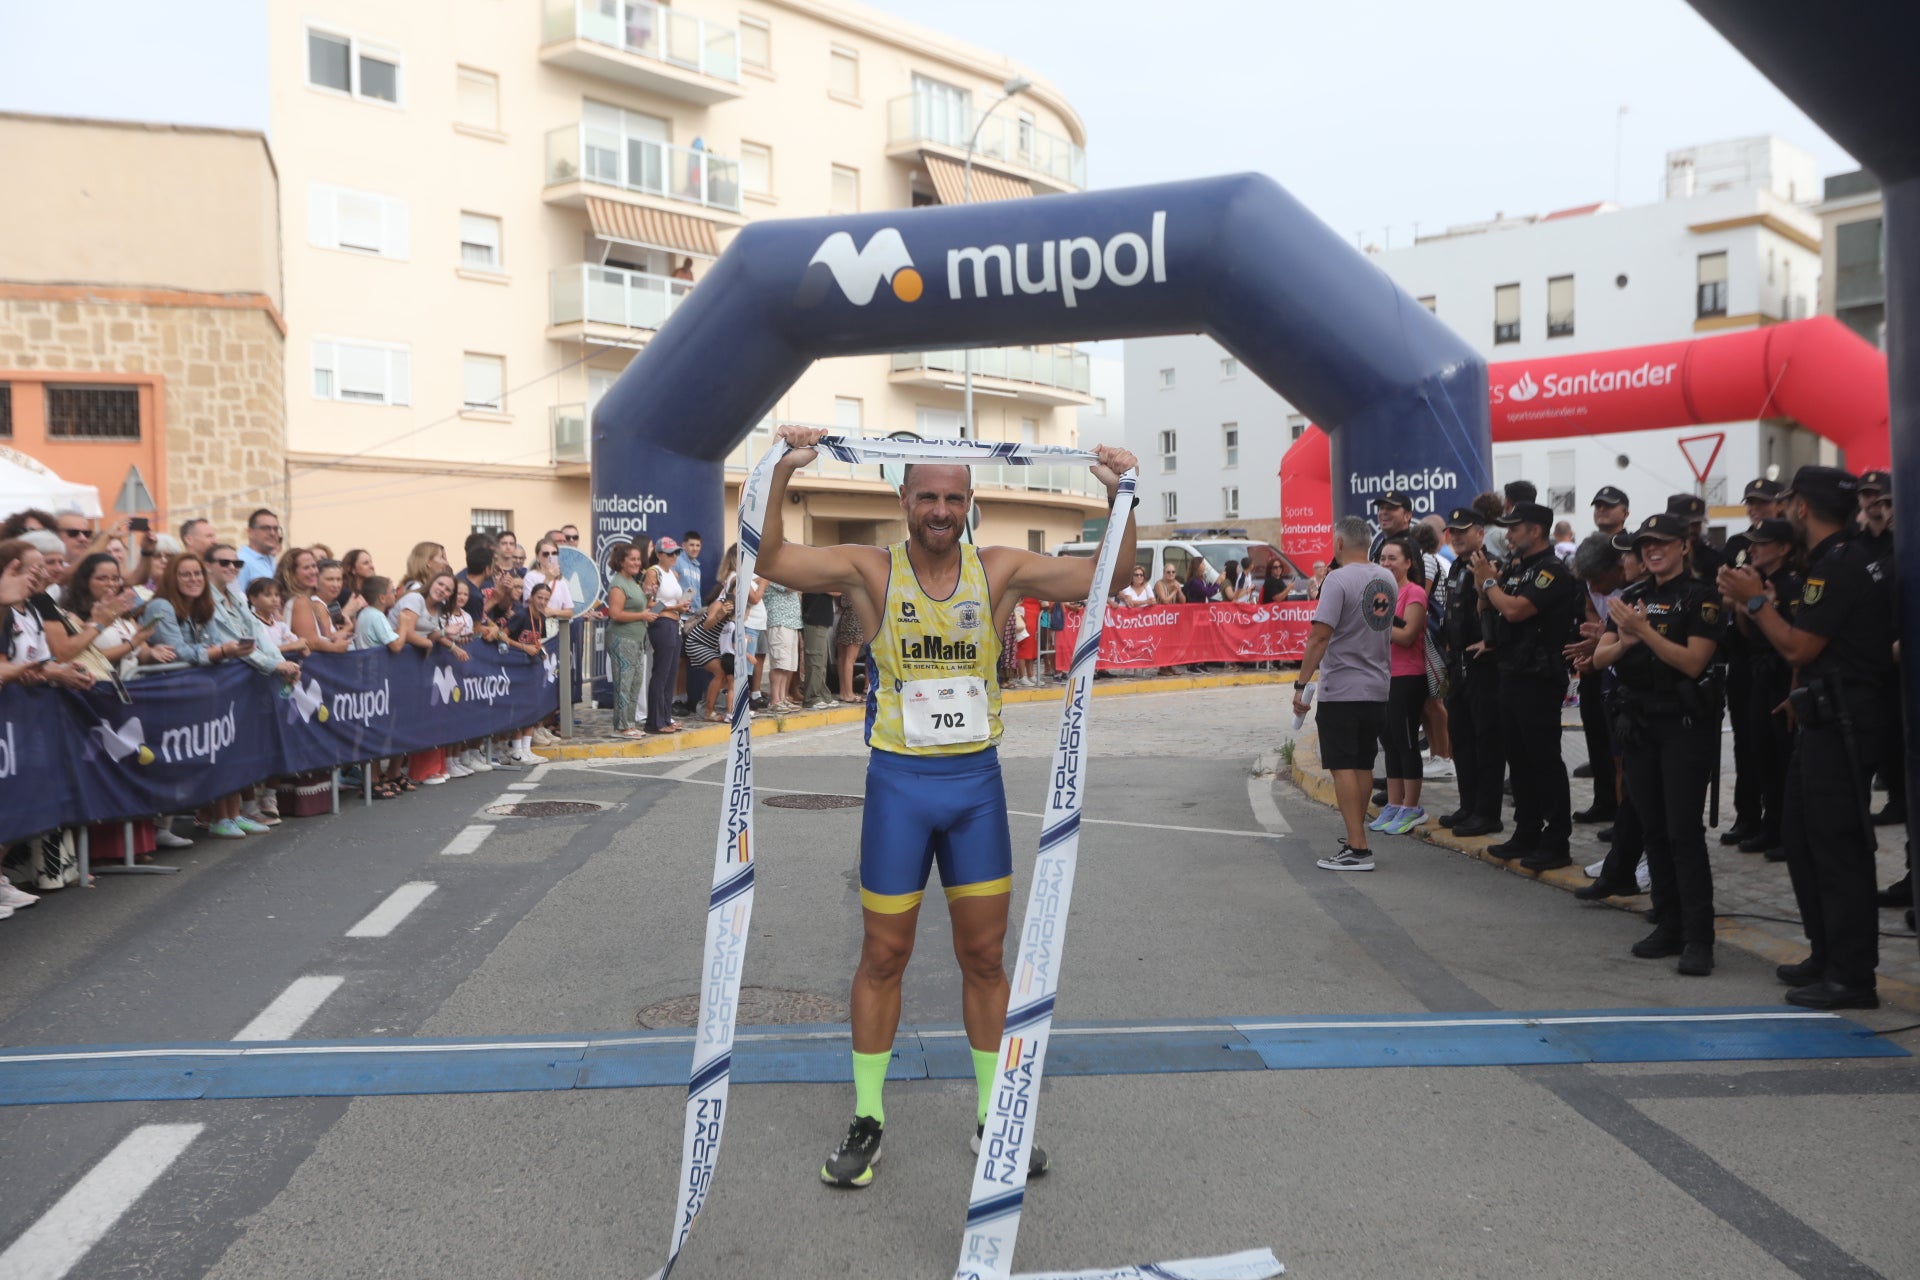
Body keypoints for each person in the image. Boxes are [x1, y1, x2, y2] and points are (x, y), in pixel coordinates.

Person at [755, 423, 1136, 1190]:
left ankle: (994, 1116)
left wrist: (1121, 494)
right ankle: (868, 1119)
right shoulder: (870, 569)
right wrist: (782, 469)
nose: (939, 509)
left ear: (970, 504)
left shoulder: (998, 570)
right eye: (926, 495)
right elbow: (771, 560)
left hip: (974, 791)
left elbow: (1108, 576)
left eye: (952, 498)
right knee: (884, 956)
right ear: (902, 499)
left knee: (986, 959)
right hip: (900, 787)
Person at [1720, 465, 1895, 1009]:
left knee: (1836, 847)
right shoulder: (1836, 560)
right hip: (1822, 714)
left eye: (1787, 502)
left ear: (1800, 508)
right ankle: (1827, 954)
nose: (1779, 511)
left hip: (1843, 724)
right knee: (1800, 836)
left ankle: (1851, 975)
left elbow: (1799, 647)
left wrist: (1754, 601)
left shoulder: (1837, 567)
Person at [1593, 513, 1726, 976]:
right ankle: (1668, 923)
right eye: (1646, 544)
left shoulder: (1701, 598)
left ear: (1684, 546)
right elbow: (1599, 657)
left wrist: (1643, 632)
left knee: (1682, 832)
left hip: (1684, 726)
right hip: (1640, 726)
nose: (1652, 551)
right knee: (1653, 829)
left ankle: (1698, 937)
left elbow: (1692, 662)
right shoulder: (1632, 598)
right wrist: (1628, 639)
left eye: (1662, 543)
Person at [1471, 499, 1580, 870]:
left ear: (1536, 531)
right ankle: (1527, 831)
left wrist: (1489, 584)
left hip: (1539, 678)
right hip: (1511, 672)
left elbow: (1515, 609)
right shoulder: (1519, 568)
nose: (1509, 534)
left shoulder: (1551, 571)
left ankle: (1556, 840)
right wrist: (1487, 589)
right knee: (1517, 759)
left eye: (1515, 528)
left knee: (1543, 760)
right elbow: (1490, 606)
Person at [1293, 515, 1394, 871]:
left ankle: (1358, 846)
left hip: (1344, 688)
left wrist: (1301, 684)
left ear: (1338, 544)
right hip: (1378, 685)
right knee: (1363, 763)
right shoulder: (1386, 577)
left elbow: (1319, 636)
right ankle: (1357, 839)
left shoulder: (1337, 580)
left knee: (1342, 765)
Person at [1727, 518, 1802, 858]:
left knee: (1785, 757)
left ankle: (1789, 833)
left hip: (1784, 675)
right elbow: (1748, 633)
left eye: (1762, 542)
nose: (1753, 548)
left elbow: (1795, 637)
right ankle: (1769, 827)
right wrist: (1745, 607)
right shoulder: (1759, 581)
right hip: (1759, 673)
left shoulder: (1793, 584)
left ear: (1784, 548)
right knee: (1762, 753)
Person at [1439, 508, 1503, 837]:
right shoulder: (1456, 567)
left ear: (1480, 532)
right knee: (1461, 739)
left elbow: (1497, 610)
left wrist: (1489, 641)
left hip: (1484, 666)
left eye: (1464, 530)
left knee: (1486, 741)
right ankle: (1468, 805)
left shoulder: (1489, 566)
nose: (1457, 536)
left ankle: (1487, 812)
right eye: (1452, 531)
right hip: (1459, 665)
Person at [1572, 487, 1633, 818]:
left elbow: (1625, 621)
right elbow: (1589, 605)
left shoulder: (1632, 556)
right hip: (1601, 657)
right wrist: (1595, 637)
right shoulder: (1590, 552)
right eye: (1597, 506)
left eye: (1610, 507)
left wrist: (1605, 637)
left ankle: (1625, 814)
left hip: (1623, 661)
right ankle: (1605, 801)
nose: (1602, 511)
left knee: (1623, 748)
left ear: (1625, 512)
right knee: (1598, 734)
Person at [1372, 535, 1430, 835]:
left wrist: (1378, 623)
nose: (1386, 563)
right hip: (1383, 677)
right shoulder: (1380, 596)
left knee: (1407, 744)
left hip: (1408, 678)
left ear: (1408, 562)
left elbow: (1407, 635)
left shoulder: (1414, 592)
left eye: (1392, 558)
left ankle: (1412, 807)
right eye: (1382, 558)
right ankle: (1393, 804)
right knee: (1390, 744)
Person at [606, 541, 655, 737]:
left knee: (635, 683)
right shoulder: (618, 584)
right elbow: (615, 614)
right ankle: (621, 726)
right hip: (622, 638)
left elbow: (643, 606)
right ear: (621, 561)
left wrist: (650, 598)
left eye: (638, 559)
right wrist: (642, 616)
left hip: (638, 639)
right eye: (632, 559)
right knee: (623, 684)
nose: (637, 562)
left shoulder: (634, 582)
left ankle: (630, 723)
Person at [645, 537, 689, 733]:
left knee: (671, 674)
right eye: (670, 553)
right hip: (662, 623)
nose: (674, 557)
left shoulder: (673, 574)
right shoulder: (653, 573)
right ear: (659, 554)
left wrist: (681, 606)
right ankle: (655, 721)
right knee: (661, 673)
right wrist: (674, 607)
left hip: (674, 622)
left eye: (676, 553)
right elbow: (649, 604)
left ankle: (665, 717)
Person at [762, 572, 803, 712]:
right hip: (779, 620)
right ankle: (775, 700)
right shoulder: (774, 573)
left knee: (787, 664)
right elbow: (791, 587)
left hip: (792, 622)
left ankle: (782, 698)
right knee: (779, 663)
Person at [800, 589, 838, 709]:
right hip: (814, 617)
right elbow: (836, 591)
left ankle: (822, 692)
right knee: (815, 659)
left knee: (821, 660)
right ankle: (811, 697)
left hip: (822, 617)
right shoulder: (814, 576)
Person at [236, 509, 282, 591]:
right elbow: (237, 599)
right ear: (250, 532)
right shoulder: (242, 562)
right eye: (265, 528)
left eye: (275, 529)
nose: (272, 533)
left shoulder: (271, 560)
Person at [1367, 491, 1414, 562]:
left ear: (1407, 516)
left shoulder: (1409, 548)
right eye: (1381, 508)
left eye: (1391, 508)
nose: (1384, 512)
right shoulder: (1383, 544)